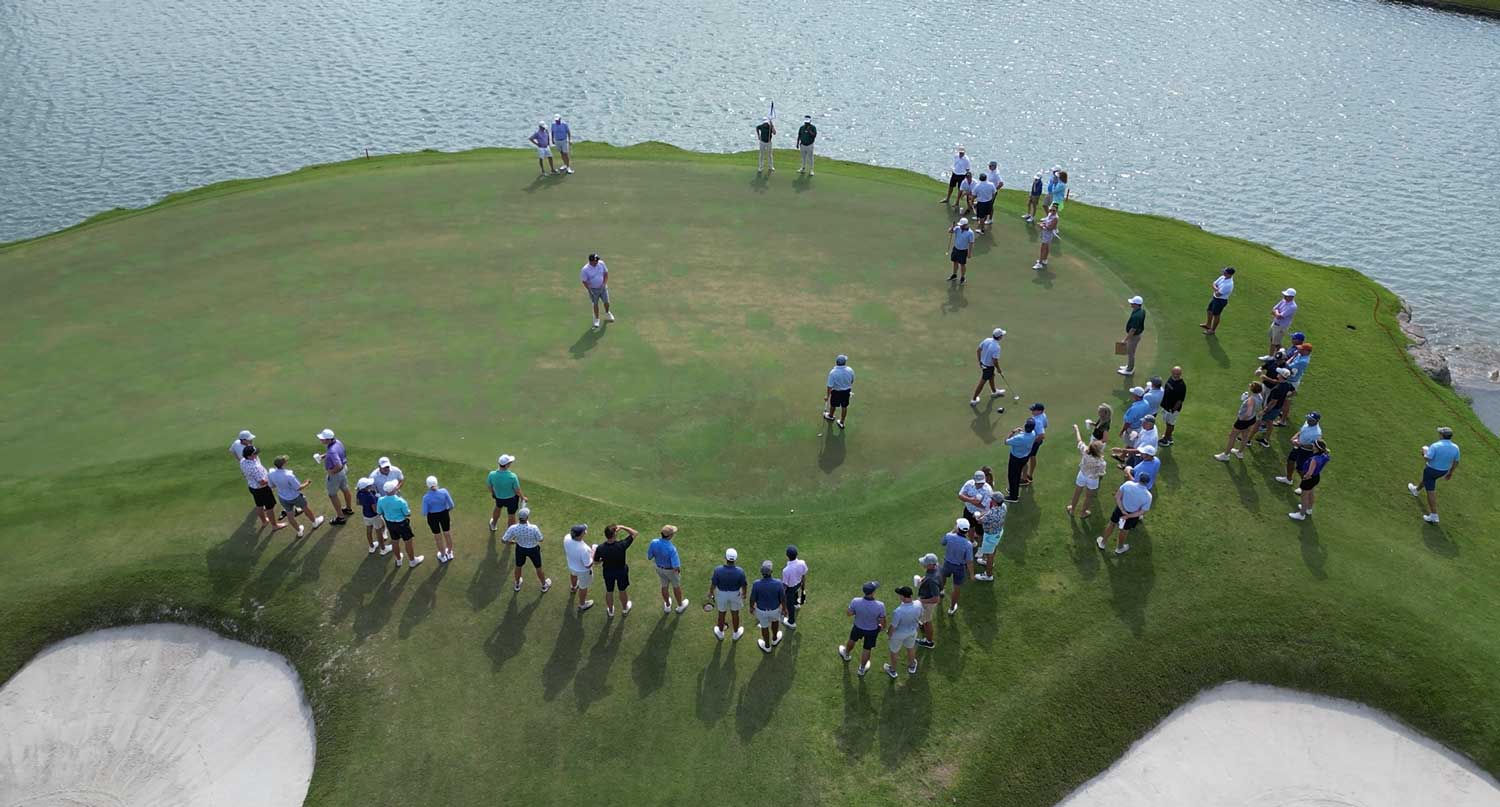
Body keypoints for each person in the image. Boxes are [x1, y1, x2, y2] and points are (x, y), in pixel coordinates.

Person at [1408, 427, 1461, 524]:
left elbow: (1427, 458)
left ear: (1441, 435)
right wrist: (1450, 472)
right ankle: (1415, 490)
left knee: (1430, 491)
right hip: (1443, 471)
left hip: (1431, 470)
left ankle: (1434, 515)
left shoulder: (1435, 446)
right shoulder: (1456, 447)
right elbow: (1456, 461)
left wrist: (1424, 452)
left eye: (1439, 433)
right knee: (1428, 480)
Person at [267, 456, 326, 538]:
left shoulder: (270, 472)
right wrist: (307, 482)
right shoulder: (289, 475)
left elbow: (271, 485)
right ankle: (315, 522)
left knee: (290, 515)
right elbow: (298, 487)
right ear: (284, 464)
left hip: (283, 498)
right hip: (295, 497)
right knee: (305, 509)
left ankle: (299, 531)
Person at [837, 581, 886, 677]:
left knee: (852, 640)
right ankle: (862, 669)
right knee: (867, 648)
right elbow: (882, 620)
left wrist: (857, 612)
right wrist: (882, 627)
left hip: (858, 627)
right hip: (872, 630)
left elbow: (849, 613)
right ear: (873, 592)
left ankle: (846, 654)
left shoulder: (855, 601)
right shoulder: (880, 605)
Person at [1096, 474, 1152, 556]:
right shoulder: (1148, 496)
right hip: (1132, 516)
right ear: (1147, 482)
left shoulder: (1128, 484)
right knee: (1124, 531)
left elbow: (1117, 497)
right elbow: (1141, 512)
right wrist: (1128, 516)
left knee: (1111, 524)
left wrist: (1122, 510)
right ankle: (1120, 548)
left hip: (1120, 509)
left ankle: (1102, 543)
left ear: (1139, 479)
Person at [592, 524, 638, 616]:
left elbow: (596, 562)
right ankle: (625, 609)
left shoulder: (600, 548)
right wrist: (623, 527)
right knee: (622, 590)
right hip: (621, 572)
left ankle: (610, 611)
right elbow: (634, 533)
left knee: (609, 591)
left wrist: (603, 559)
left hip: (608, 572)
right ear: (615, 534)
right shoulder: (622, 545)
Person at [502, 507, 550, 592]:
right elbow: (541, 539)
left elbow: (503, 540)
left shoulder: (513, 528)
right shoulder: (534, 528)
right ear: (527, 518)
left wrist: (513, 542)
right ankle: (544, 585)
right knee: (538, 568)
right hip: (533, 550)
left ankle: (517, 585)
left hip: (520, 549)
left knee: (518, 567)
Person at [1214, 381, 1265, 461]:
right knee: (1245, 436)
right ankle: (1240, 453)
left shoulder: (1251, 400)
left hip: (1244, 420)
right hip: (1252, 419)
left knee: (1232, 436)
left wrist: (1241, 419)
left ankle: (1225, 455)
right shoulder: (1260, 396)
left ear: (1252, 389)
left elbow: (1248, 413)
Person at [239, 445, 286, 530]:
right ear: (249, 455)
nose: (257, 454)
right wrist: (273, 480)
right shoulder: (255, 467)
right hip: (262, 489)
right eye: (255, 453)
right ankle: (274, 525)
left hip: (252, 487)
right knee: (269, 507)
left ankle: (264, 521)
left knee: (259, 505)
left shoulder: (243, 461)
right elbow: (262, 482)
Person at [377, 480, 422, 568]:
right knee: (408, 542)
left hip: (390, 524)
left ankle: (398, 560)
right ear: (394, 490)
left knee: (395, 541)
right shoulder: (400, 501)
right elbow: (407, 514)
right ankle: (412, 561)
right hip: (402, 524)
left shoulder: (380, 500)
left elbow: (379, 512)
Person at [312, 429, 353, 525]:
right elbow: (338, 453)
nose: (320, 440)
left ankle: (340, 517)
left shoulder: (331, 451)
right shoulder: (337, 442)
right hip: (344, 470)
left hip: (336, 474)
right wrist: (323, 456)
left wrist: (331, 472)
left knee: (332, 495)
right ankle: (348, 509)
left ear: (329, 440)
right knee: (345, 489)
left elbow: (338, 465)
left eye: (323, 439)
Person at [646, 525, 689, 612]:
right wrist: (677, 572)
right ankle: (680, 606)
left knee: (664, 586)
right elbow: (676, 566)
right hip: (671, 571)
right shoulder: (671, 548)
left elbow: (649, 556)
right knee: (676, 587)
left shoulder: (654, 542)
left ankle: (667, 605)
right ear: (670, 536)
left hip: (659, 569)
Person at [1068, 425, 1108, 517]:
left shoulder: (1085, 451)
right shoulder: (1101, 462)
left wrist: (1077, 429)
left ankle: (1072, 509)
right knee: (1088, 497)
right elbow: (1101, 473)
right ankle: (1083, 513)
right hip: (1093, 479)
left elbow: (1079, 440)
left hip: (1082, 475)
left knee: (1077, 493)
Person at [709, 548, 748, 641]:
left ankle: (720, 633)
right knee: (735, 614)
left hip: (721, 594)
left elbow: (714, 584)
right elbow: (744, 585)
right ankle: (735, 633)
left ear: (725, 558)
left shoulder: (718, 570)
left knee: (721, 613)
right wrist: (745, 594)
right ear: (735, 559)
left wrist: (710, 592)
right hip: (735, 595)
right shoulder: (740, 571)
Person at [1276, 412, 1324, 486]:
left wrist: (1301, 444)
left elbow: (1314, 446)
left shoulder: (1317, 433)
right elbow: (1301, 431)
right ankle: (1288, 479)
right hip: (1298, 446)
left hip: (1306, 452)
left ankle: (1305, 485)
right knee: (1290, 461)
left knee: (1300, 469)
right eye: (1308, 418)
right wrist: (1295, 437)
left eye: (1311, 420)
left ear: (1316, 421)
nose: (1308, 420)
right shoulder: (1307, 423)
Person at [884, 586, 922, 678]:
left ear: (904, 597)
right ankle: (912, 666)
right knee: (910, 648)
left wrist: (889, 634)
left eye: (900, 595)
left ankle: (892, 670)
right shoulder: (918, 604)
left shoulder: (898, 611)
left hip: (898, 635)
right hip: (912, 632)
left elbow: (893, 626)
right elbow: (920, 616)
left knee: (894, 652)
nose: (899, 596)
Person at [750, 560, 787, 653]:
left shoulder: (756, 584)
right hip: (774, 610)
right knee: (775, 622)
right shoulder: (778, 583)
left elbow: (752, 598)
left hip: (761, 611)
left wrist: (751, 607)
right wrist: (784, 609)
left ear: (761, 572)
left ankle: (767, 646)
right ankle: (774, 639)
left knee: (764, 627)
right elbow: (782, 598)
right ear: (771, 572)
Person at [1288, 440, 1331, 521]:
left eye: (1314, 445)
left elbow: (1309, 473)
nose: (1312, 445)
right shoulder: (1324, 455)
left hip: (1309, 479)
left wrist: (1305, 478)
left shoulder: (1314, 459)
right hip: (1316, 477)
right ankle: (1309, 509)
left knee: (1304, 496)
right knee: (1311, 493)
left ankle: (1301, 514)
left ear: (1316, 448)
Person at [1252, 368, 1295, 448]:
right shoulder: (1288, 385)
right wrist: (1285, 396)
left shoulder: (1277, 388)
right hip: (1278, 409)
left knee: (1258, 423)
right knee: (1270, 423)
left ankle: (1248, 439)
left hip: (1272, 409)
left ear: (1281, 376)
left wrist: (1264, 411)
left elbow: (1273, 402)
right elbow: (1294, 392)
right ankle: (1266, 440)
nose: (1277, 374)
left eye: (1279, 373)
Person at [421, 475, 456, 564]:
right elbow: (451, 505)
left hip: (432, 517)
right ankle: (450, 552)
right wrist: (445, 510)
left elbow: (424, 512)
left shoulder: (426, 497)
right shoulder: (444, 492)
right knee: (447, 533)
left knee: (437, 536)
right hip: (444, 514)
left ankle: (443, 555)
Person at [940, 520, 973, 614]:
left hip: (947, 563)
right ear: (966, 531)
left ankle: (941, 591)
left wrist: (952, 531)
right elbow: (969, 561)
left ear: (958, 528)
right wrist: (971, 574)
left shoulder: (949, 536)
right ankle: (951, 608)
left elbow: (943, 542)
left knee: (943, 577)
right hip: (959, 567)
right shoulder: (968, 544)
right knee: (956, 588)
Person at [970, 327, 1008, 407]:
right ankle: (973, 400)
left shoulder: (987, 340)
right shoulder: (997, 347)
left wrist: (980, 361)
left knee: (992, 376)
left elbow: (978, 350)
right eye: (1002, 335)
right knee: (982, 382)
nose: (1003, 336)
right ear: (1000, 337)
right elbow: (995, 360)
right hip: (988, 367)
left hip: (983, 364)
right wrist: (999, 369)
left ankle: (994, 392)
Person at [487, 454, 525, 533]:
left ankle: (493, 524)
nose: (511, 464)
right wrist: (522, 497)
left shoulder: (492, 474)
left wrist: (493, 494)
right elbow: (517, 490)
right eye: (510, 462)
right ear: (507, 465)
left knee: (498, 508)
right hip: (512, 499)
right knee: (511, 515)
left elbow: (489, 487)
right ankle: (510, 535)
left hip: (499, 497)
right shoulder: (512, 476)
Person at [1003, 420, 1038, 502]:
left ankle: (1014, 496)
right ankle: (1013, 490)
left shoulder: (1019, 438)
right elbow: (1026, 434)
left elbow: (1006, 442)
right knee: (1017, 474)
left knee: (1012, 476)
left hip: (1016, 458)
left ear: (1025, 426)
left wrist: (1012, 432)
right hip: (1025, 457)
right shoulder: (1033, 433)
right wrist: (1022, 432)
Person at [975, 491, 1006, 582]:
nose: (991, 500)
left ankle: (988, 575)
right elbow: (989, 512)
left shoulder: (991, 514)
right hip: (998, 532)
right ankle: (987, 561)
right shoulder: (1004, 507)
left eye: (992, 499)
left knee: (990, 554)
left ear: (995, 502)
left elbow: (980, 521)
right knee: (992, 549)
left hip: (990, 536)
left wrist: (977, 515)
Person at [1279, 343, 1313, 425]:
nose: (1299, 350)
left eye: (1301, 349)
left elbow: (1287, 366)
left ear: (1306, 351)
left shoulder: (1303, 361)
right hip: (1291, 379)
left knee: (1286, 401)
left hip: (1291, 382)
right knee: (1284, 400)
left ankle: (1283, 421)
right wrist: (1295, 355)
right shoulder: (1300, 355)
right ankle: (1283, 413)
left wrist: (1293, 356)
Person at [564, 525, 596, 612]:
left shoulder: (567, 537)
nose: (585, 532)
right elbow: (588, 565)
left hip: (571, 565)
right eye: (583, 532)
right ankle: (582, 604)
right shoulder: (584, 549)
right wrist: (593, 550)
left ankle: (573, 587)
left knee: (573, 575)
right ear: (580, 535)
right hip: (583, 571)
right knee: (583, 587)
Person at [580, 253, 614, 330]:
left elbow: (606, 273)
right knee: (595, 304)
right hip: (593, 290)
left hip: (603, 287)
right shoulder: (585, 270)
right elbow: (584, 281)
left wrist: (604, 284)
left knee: (606, 302)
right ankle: (596, 319)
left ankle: (607, 313)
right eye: (596, 260)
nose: (597, 261)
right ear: (591, 261)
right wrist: (589, 290)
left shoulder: (601, 263)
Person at [355, 477, 388, 554]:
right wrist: (381, 511)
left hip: (366, 515)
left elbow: (358, 503)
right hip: (374, 516)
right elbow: (374, 509)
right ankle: (383, 549)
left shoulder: (359, 493)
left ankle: (371, 546)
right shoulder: (370, 496)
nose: (371, 485)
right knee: (378, 531)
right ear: (366, 487)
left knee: (369, 530)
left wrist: (366, 503)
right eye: (369, 485)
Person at [1201, 267, 1235, 334]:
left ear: (1229, 274)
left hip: (1220, 301)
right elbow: (1214, 283)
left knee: (1216, 315)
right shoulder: (1222, 277)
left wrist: (1215, 289)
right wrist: (1216, 289)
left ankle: (1212, 330)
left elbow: (1218, 294)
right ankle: (1208, 324)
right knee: (1209, 310)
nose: (1223, 273)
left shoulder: (1228, 285)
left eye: (1225, 272)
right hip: (1215, 298)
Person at [1159, 367, 1188, 446]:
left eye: (1177, 374)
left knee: (1170, 424)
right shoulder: (1170, 379)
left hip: (1172, 409)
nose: (1175, 375)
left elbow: (1180, 401)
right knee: (1168, 423)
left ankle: (1166, 440)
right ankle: (1169, 437)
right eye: (1174, 373)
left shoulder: (1181, 385)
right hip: (1166, 406)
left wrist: (1173, 410)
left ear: (1180, 374)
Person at [824, 354, 855, 429]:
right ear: (844, 362)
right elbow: (852, 380)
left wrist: (827, 396)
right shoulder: (850, 370)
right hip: (846, 391)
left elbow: (830, 386)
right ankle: (842, 422)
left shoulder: (833, 372)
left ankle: (830, 416)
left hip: (836, 392)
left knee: (833, 405)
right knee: (844, 406)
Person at [781, 545, 808, 629]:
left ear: (787, 556)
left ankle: (791, 622)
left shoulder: (786, 570)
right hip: (799, 583)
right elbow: (804, 575)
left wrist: (782, 595)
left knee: (789, 605)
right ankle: (796, 604)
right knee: (795, 593)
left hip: (790, 589)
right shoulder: (802, 563)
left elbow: (785, 585)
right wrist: (803, 586)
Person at [1118, 296, 1146, 376]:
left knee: (1130, 353)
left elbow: (1132, 330)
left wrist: (1125, 340)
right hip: (1136, 335)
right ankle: (1129, 366)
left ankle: (1129, 370)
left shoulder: (1137, 316)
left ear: (1137, 304)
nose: (1131, 304)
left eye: (1132, 303)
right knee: (1130, 352)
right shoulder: (1141, 311)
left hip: (1134, 336)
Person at [1022, 403, 1049, 485]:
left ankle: (1024, 478)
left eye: (1034, 410)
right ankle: (1030, 475)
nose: (1032, 411)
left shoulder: (1036, 421)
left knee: (1024, 458)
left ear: (1040, 411)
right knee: (1032, 456)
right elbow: (1046, 425)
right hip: (1037, 441)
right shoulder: (1043, 415)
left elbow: (1042, 435)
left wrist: (1031, 441)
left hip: (1034, 441)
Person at [1267, 288, 1299, 355]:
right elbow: (1274, 309)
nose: (1284, 296)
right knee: (1273, 340)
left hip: (1281, 327)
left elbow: (1279, 316)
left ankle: (1270, 356)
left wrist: (1276, 312)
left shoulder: (1292, 306)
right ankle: (1282, 354)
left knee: (1274, 343)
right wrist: (1277, 312)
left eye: (1286, 295)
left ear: (1292, 297)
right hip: (1275, 323)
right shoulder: (1283, 300)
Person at [947, 217, 976, 283]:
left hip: (963, 251)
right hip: (956, 248)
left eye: (961, 225)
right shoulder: (957, 228)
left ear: (966, 225)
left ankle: (962, 277)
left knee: (962, 264)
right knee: (955, 262)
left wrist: (969, 253)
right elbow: (949, 231)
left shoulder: (970, 233)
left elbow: (971, 243)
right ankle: (954, 275)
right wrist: (952, 228)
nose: (960, 226)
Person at [1032, 204, 1059, 270]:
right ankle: (1044, 260)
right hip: (1045, 232)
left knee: (1043, 248)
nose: (1052, 211)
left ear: (1056, 211)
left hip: (1048, 234)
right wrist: (1043, 223)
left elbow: (1050, 228)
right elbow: (1046, 222)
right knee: (1046, 247)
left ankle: (1040, 263)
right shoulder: (1050, 214)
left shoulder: (1055, 218)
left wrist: (1042, 226)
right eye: (1051, 210)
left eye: (1054, 210)